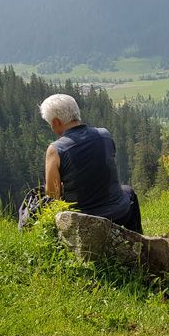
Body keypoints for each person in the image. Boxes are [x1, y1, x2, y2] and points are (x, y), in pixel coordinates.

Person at [40, 93, 142, 232]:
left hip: (83, 221)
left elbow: (53, 195)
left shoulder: (55, 150)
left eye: (50, 124)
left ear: (57, 122)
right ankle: (140, 244)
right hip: (119, 214)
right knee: (128, 191)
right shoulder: (104, 135)